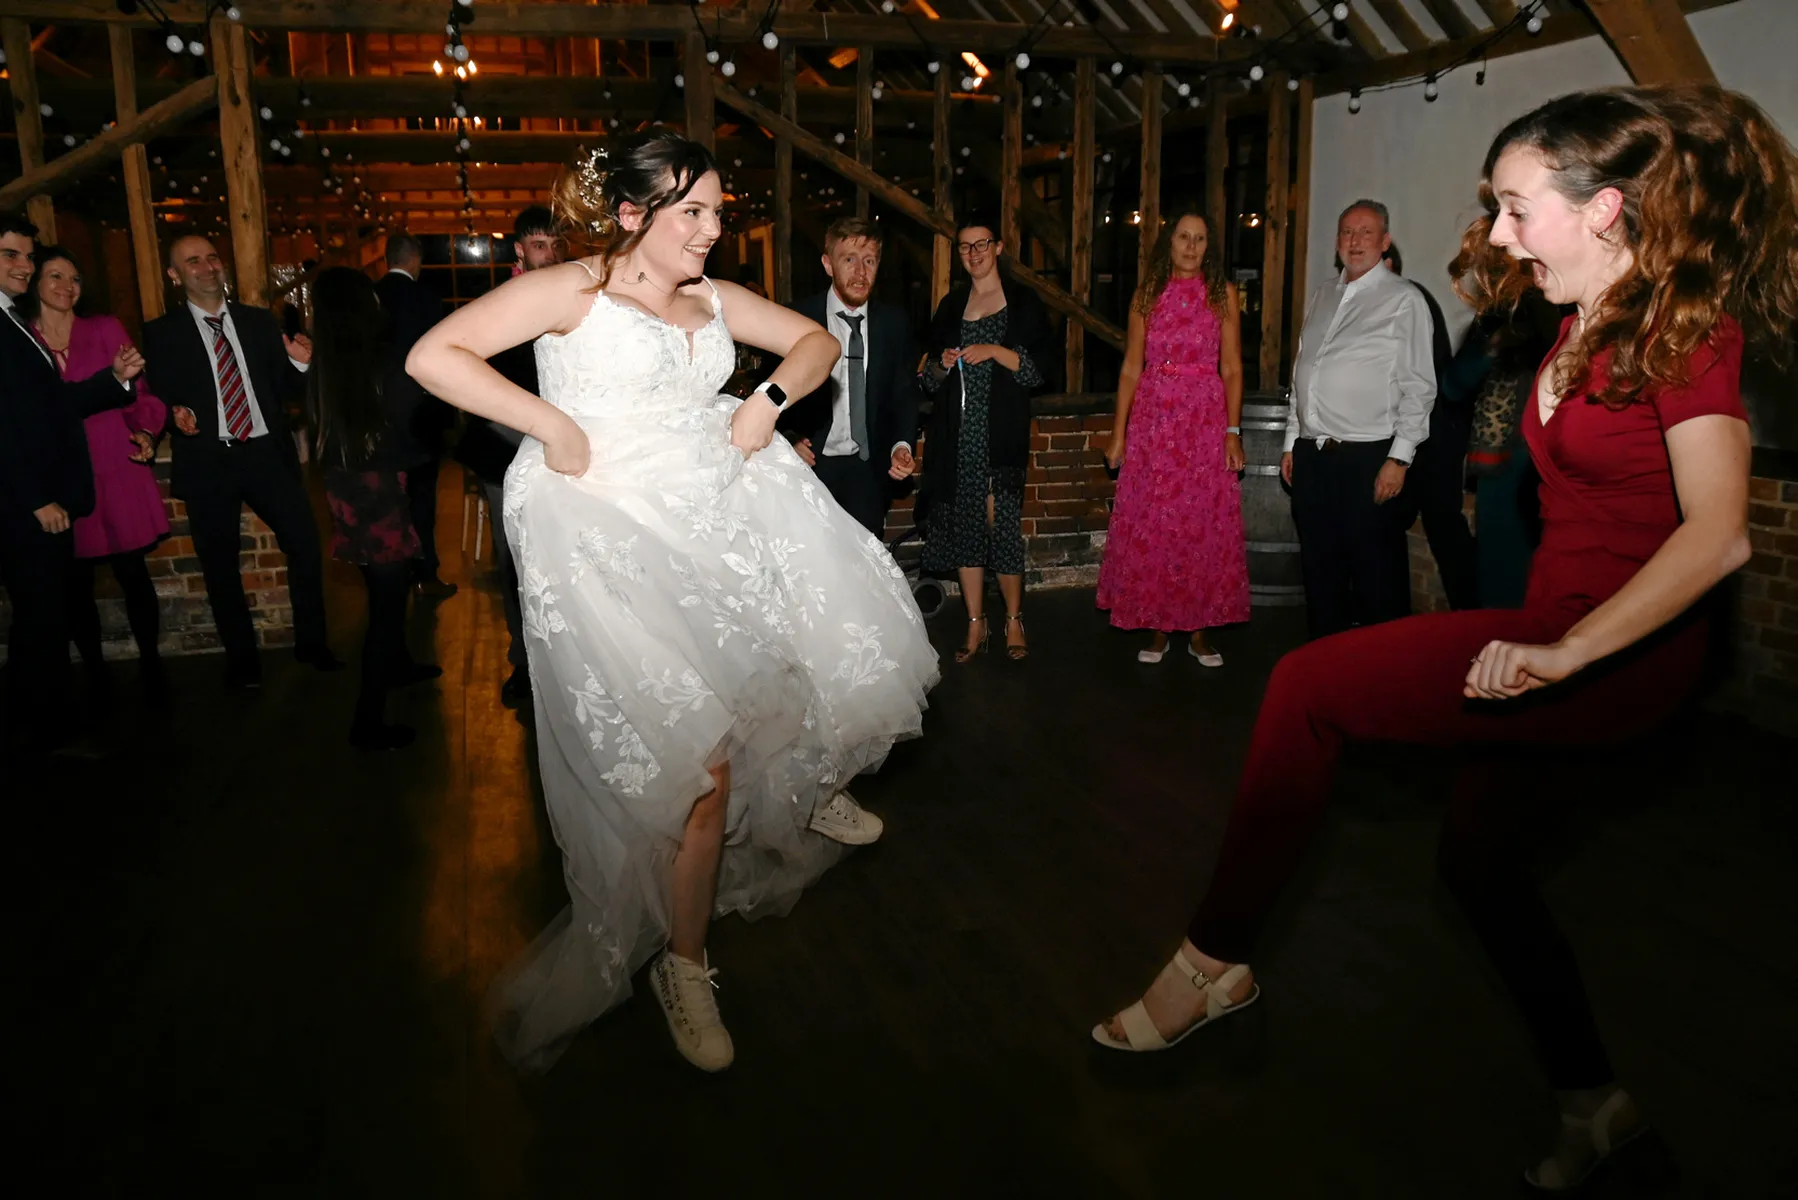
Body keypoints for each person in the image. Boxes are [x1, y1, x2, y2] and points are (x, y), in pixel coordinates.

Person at [1092, 85, 1796, 1193]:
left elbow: (1715, 539)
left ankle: (1211, 964)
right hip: (1548, 633)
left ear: (1603, 208)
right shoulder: (1574, 320)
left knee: (1308, 687)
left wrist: (1566, 654)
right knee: (1477, 866)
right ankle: (1595, 1101)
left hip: (1609, 654)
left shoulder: (1684, 333)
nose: (1501, 235)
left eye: (1517, 209)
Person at [406, 132, 938, 1073]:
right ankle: (684, 968)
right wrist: (552, 423)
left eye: (718, 213)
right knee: (703, 767)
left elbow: (815, 343)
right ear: (630, 216)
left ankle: (804, 787)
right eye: (692, 212)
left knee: (796, 674)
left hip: (722, 527)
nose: (711, 230)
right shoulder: (569, 290)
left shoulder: (713, 297)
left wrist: (767, 398)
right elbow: (434, 355)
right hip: (613, 544)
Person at [142, 235, 341, 688]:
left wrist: (303, 367)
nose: (208, 267)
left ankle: (312, 645)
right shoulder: (161, 333)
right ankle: (243, 661)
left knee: (306, 545)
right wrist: (174, 414)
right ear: (175, 276)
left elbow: (286, 390)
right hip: (208, 461)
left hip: (266, 454)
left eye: (213, 257)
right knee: (219, 565)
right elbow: (159, 395)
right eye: (193, 261)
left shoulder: (257, 323)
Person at [0, 216, 145, 751]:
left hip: (40, 499)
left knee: (39, 619)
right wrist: (37, 498)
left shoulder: (12, 321)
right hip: (27, 505)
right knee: (42, 620)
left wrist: (116, 382)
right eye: (10, 255)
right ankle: (48, 734)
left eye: (26, 256)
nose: (24, 265)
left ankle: (28, 721)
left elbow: (50, 406)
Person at [1098, 208, 1250, 666]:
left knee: (1201, 521)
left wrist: (1232, 431)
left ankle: (1200, 630)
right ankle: (1159, 626)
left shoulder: (1222, 294)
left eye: (1200, 239)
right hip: (1154, 423)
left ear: (1209, 247)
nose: (1190, 246)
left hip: (1204, 420)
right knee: (1156, 521)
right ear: (1170, 242)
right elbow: (1130, 367)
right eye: (1183, 237)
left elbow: (1233, 367)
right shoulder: (1147, 295)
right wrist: (1118, 433)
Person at [1282, 200, 1437, 639]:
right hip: (1314, 458)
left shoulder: (1404, 299)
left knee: (1376, 581)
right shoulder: (1323, 294)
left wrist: (1399, 459)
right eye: (1347, 232)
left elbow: (1420, 387)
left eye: (1366, 232)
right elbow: (1303, 373)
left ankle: (1382, 680)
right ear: (1337, 242)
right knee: (1320, 573)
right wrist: (1292, 441)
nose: (1355, 241)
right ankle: (1325, 668)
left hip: (1368, 459)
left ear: (1385, 241)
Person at [23, 246, 170, 704]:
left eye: (75, 278)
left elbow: (140, 394)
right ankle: (95, 672)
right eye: (55, 276)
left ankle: (152, 665)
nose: (68, 286)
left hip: (115, 464)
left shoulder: (104, 328)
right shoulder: (22, 338)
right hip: (63, 477)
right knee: (75, 584)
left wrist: (146, 431)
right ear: (35, 283)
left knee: (133, 573)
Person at [309, 266, 443, 750]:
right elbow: (415, 433)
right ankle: (367, 722)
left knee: (387, 586)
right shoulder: (382, 362)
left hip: (348, 489)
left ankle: (401, 665)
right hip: (380, 491)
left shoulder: (327, 363)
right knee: (384, 612)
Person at [919, 217, 1053, 662]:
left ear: (998, 247)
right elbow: (929, 380)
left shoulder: (1022, 303)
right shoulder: (951, 304)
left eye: (981, 245)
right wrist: (940, 361)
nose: (973, 253)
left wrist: (995, 351)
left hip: (1000, 433)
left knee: (1003, 529)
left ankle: (1014, 620)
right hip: (957, 435)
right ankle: (976, 625)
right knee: (966, 531)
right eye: (964, 247)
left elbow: (1037, 371)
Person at [454, 205, 563, 708]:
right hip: (506, 455)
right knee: (515, 565)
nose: (550, 252)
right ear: (519, 250)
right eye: (539, 244)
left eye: (556, 243)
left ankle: (566, 665)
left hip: (568, 457)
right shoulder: (496, 304)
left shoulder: (574, 298)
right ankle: (523, 663)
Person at [781, 215, 922, 539]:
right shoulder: (798, 318)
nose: (861, 272)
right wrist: (787, 439)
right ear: (828, 264)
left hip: (867, 471)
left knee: (866, 571)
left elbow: (903, 394)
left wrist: (901, 445)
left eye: (869, 261)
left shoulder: (894, 323)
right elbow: (772, 389)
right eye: (850, 260)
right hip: (811, 464)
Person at [375, 233, 456, 599]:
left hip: (380, 415)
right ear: (415, 260)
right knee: (422, 499)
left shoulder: (371, 297)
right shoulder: (426, 299)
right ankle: (426, 574)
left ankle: (395, 574)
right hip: (421, 413)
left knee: (390, 499)